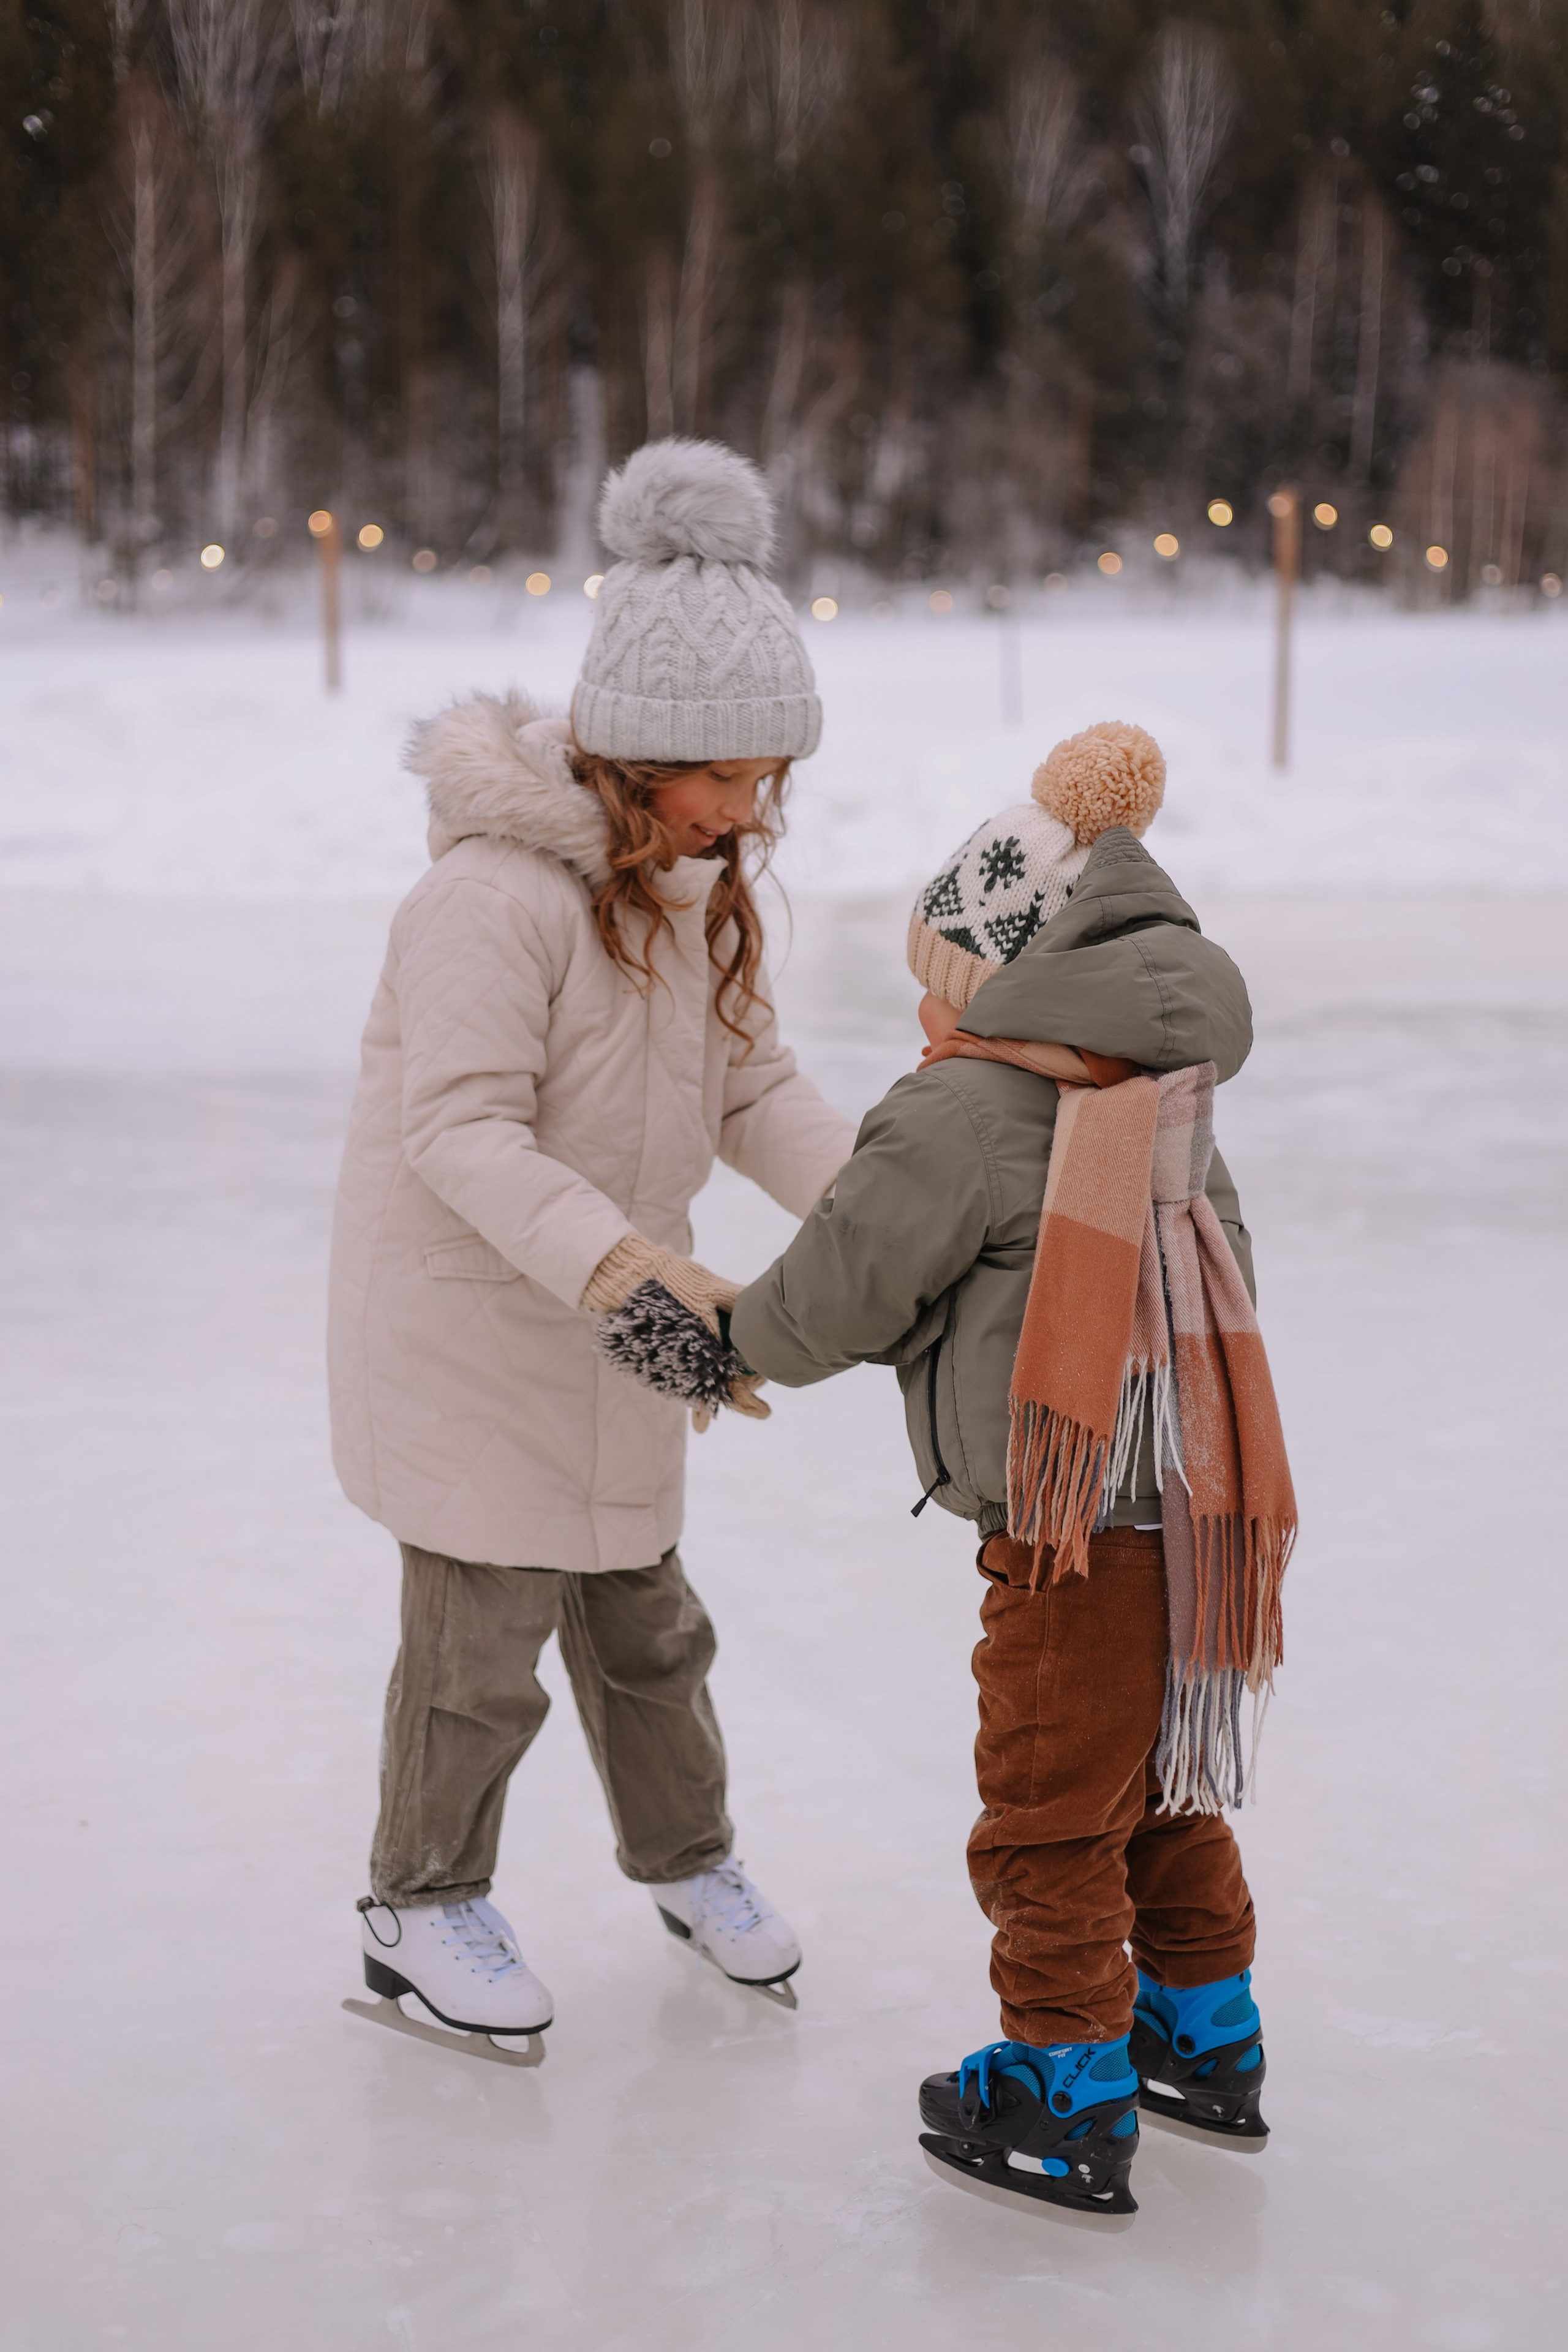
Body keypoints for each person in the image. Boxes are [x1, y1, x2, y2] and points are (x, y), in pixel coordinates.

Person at [725, 725, 1297, 2219]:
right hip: (1195, 1503)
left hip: (1063, 1533)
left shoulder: (965, 1108)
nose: (921, 1007)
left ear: (992, 974)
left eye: (937, 976)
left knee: (1047, 1805)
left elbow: (841, 1289)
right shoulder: (1162, 1094)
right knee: (1160, 1780)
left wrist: (726, 1339)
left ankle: (1061, 2084)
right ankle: (1203, 2032)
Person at [328, 438, 856, 2043]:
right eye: (729, 774)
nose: (754, 808)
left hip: (626, 1316)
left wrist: (883, 1207)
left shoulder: (694, 894)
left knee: (649, 1625)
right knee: (479, 1651)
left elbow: (753, 1087)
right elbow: (461, 1132)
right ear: (639, 757)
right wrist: (634, 1274)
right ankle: (418, 1904)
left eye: (773, 773)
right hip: (475, 1333)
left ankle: (688, 1862)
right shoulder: (491, 901)